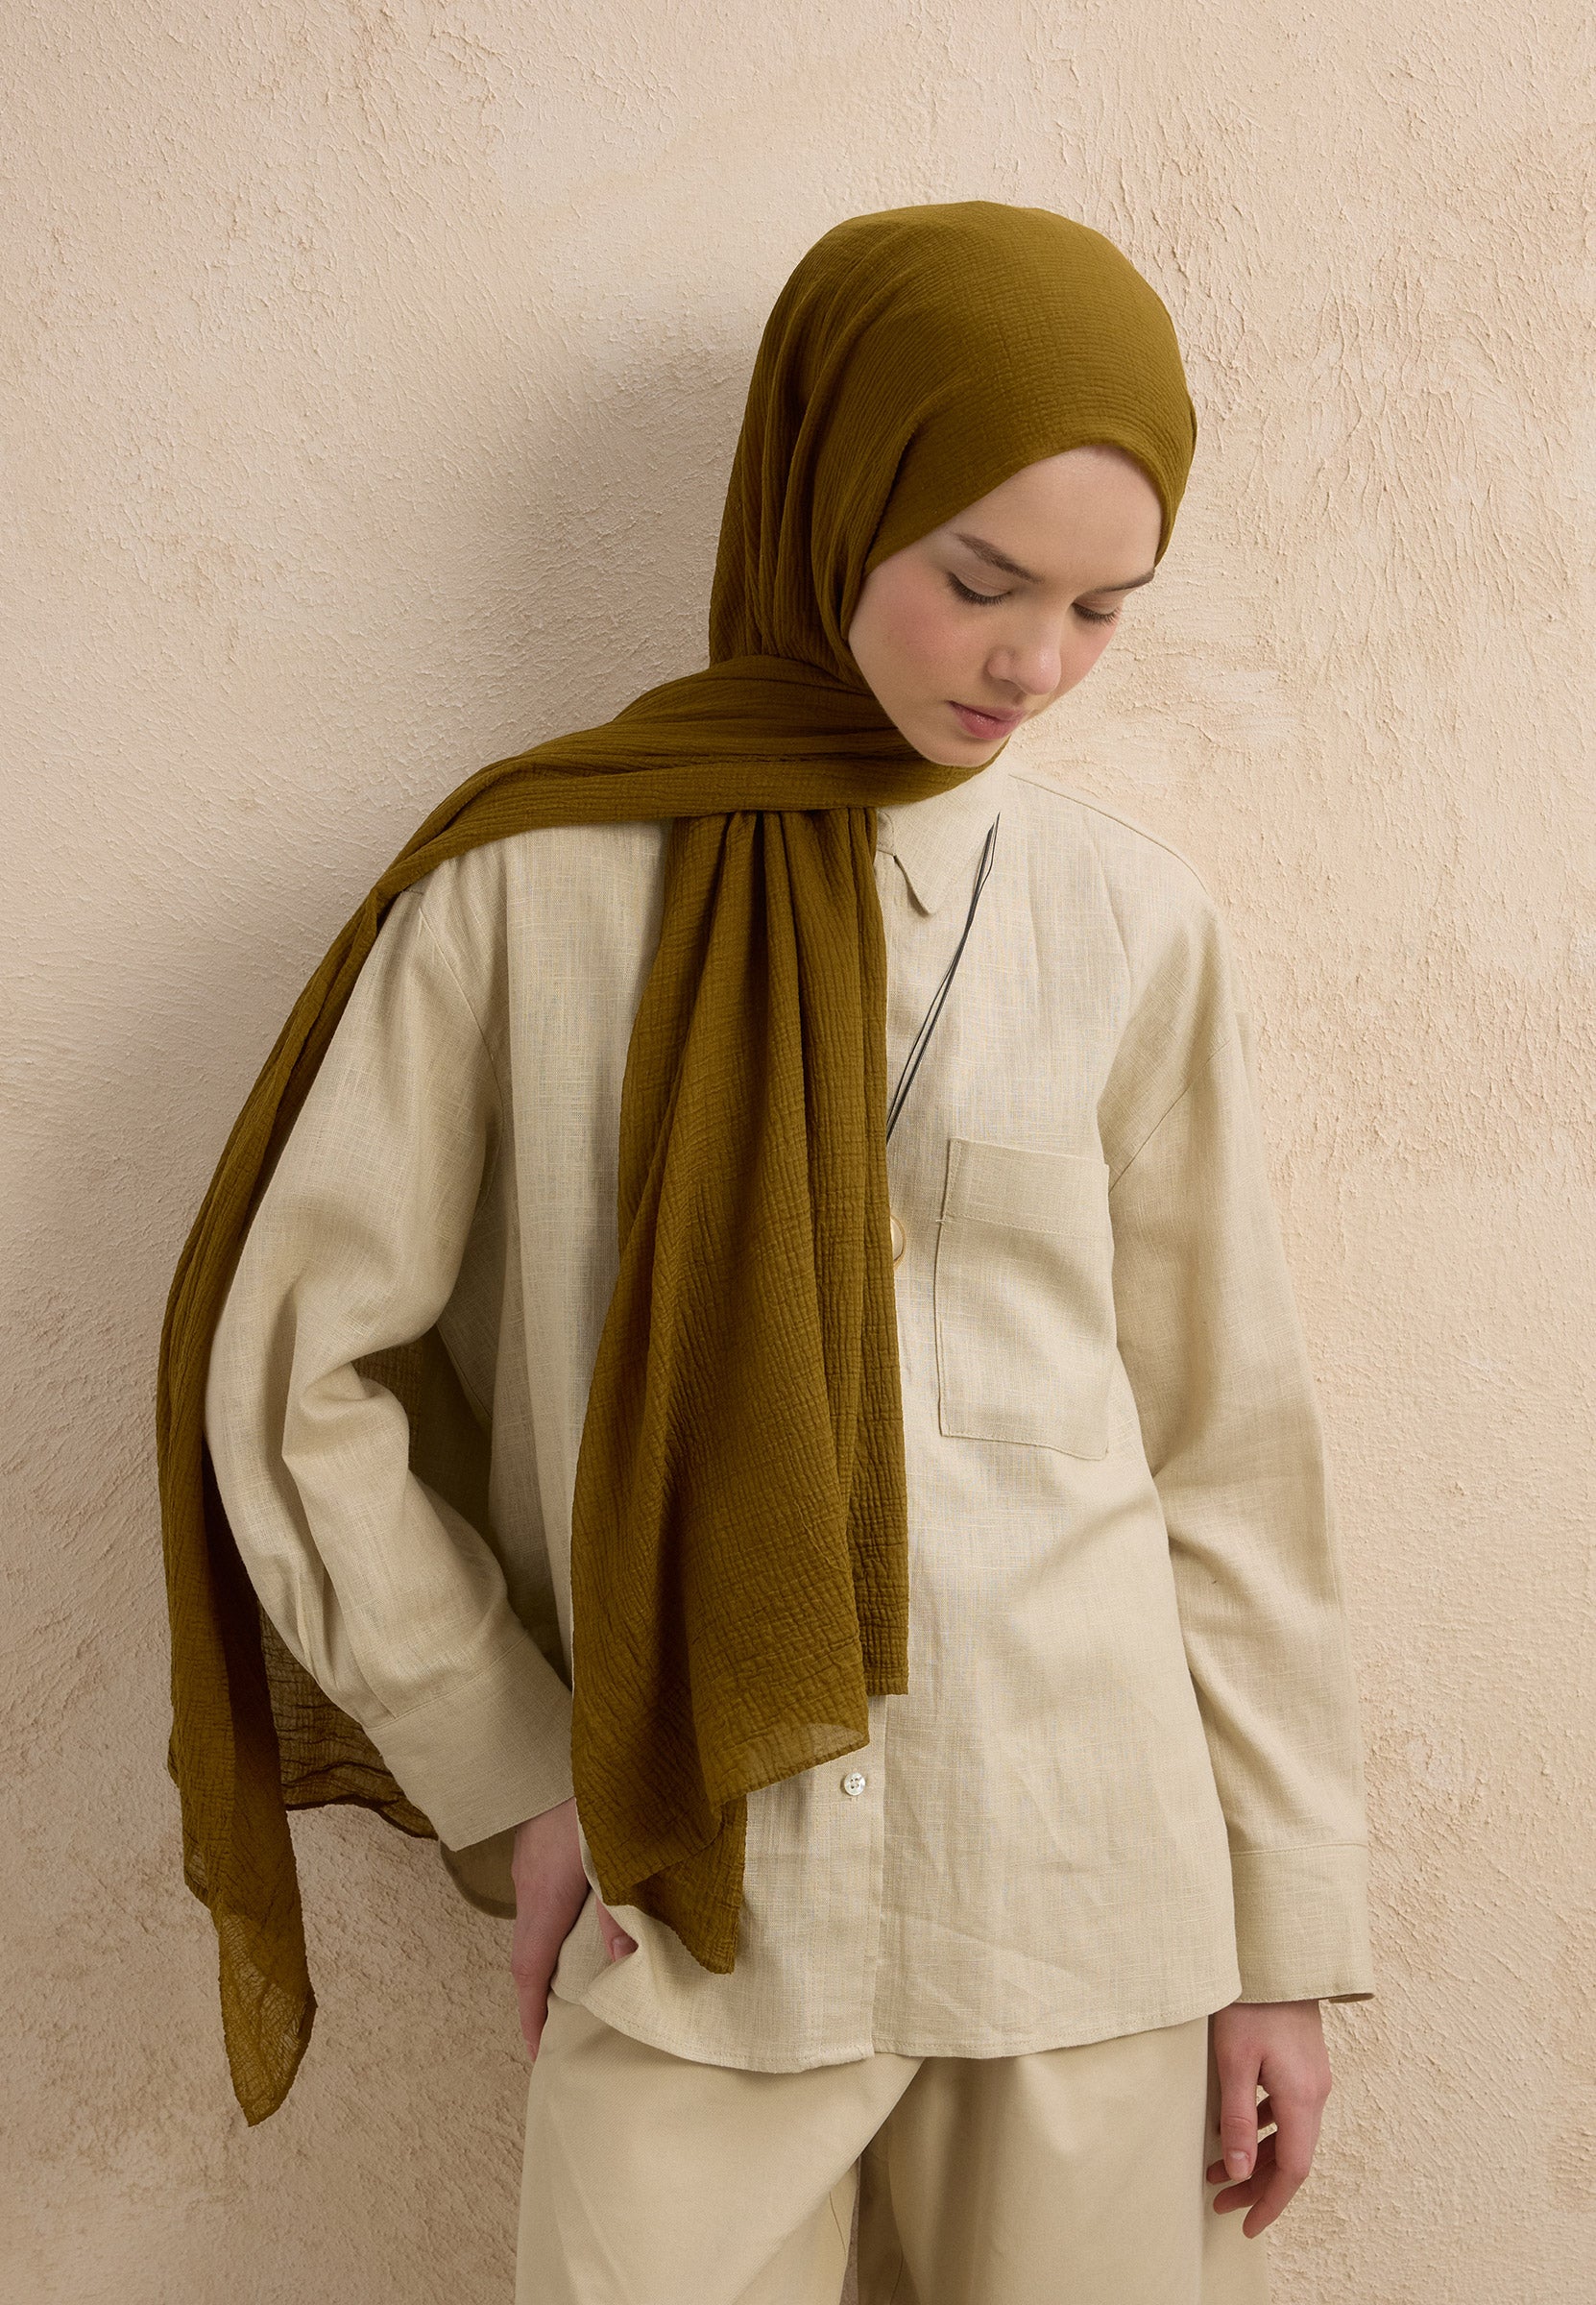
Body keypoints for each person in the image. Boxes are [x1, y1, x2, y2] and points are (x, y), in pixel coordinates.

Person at [179, 200, 1373, 2303]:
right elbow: (294, 1380)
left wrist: (1279, 1937)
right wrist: (515, 1768)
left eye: (1102, 609)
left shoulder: (1129, 925)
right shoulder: (532, 891)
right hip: (700, 1901)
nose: (1030, 664)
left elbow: (1224, 1458)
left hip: (1091, 1897)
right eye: (978, 580)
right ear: (829, 492)